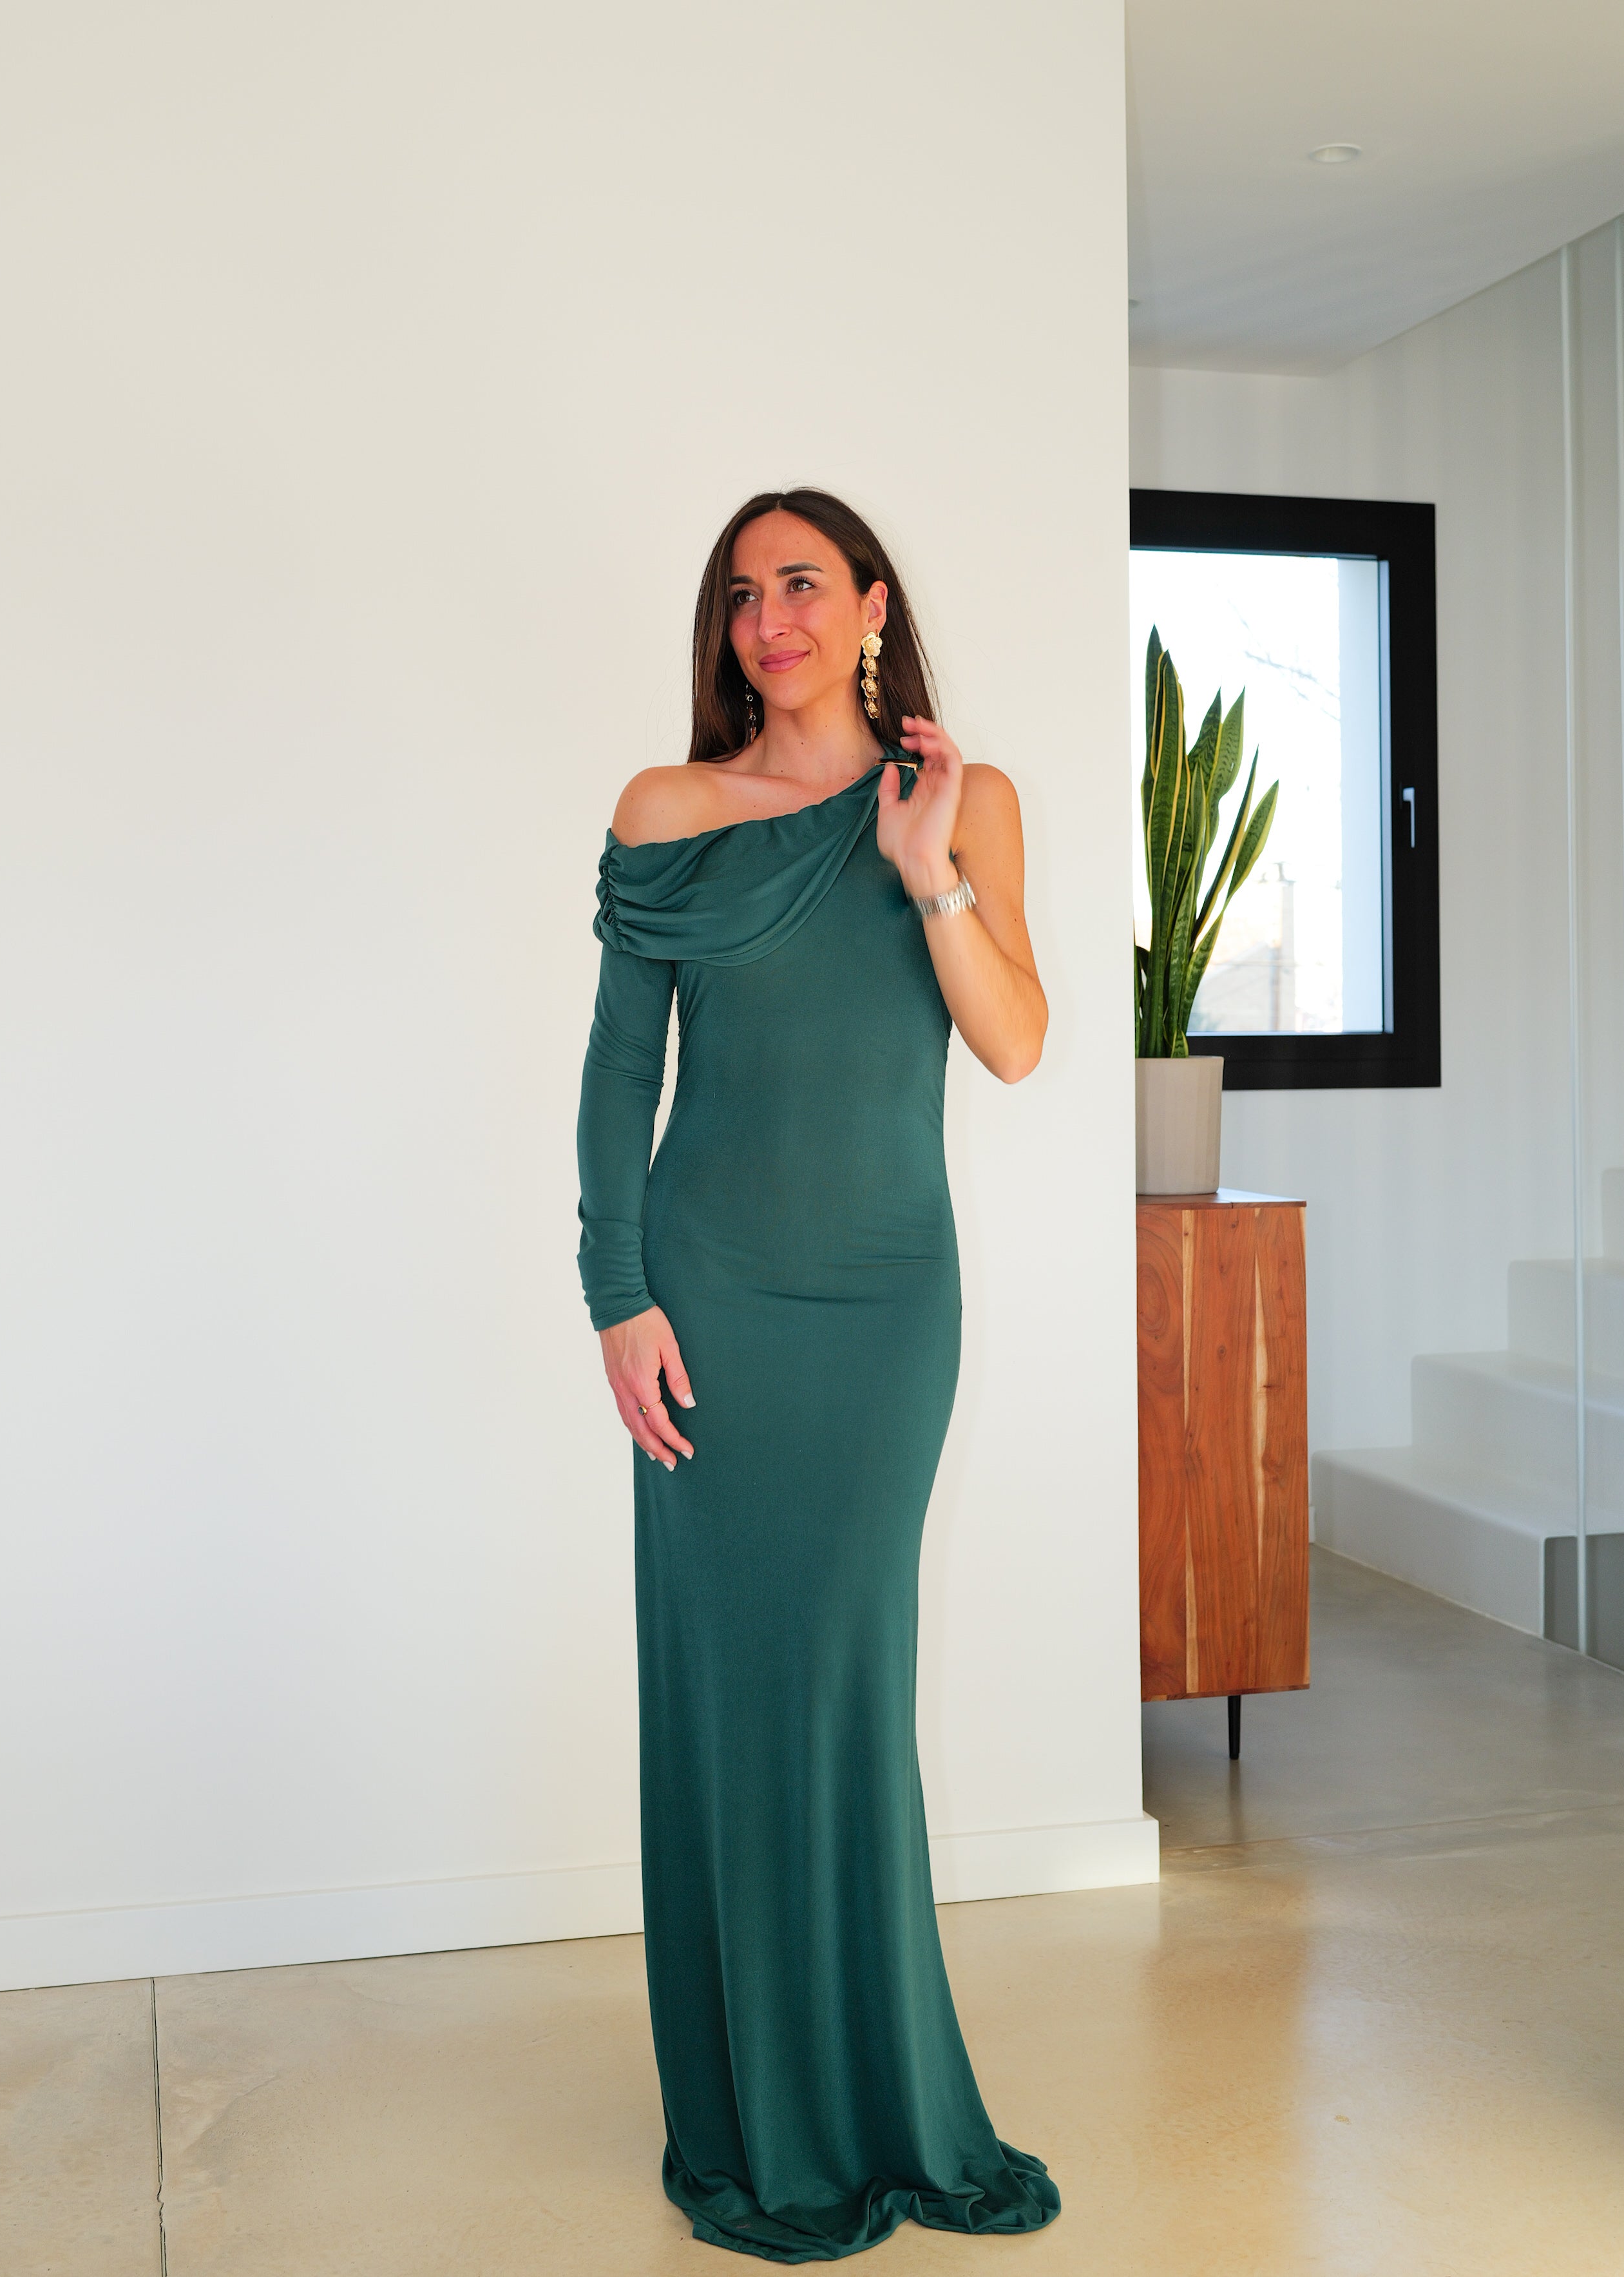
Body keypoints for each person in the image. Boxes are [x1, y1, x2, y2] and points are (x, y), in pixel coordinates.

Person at [575, 487, 1056, 2261]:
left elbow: (1014, 1043)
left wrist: (925, 867)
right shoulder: (669, 809)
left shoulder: (964, 803)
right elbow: (618, 1073)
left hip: (881, 1309)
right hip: (704, 1303)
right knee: (725, 1695)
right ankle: (752, 2107)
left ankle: (873, 2093)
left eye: (799, 584)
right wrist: (616, 1292)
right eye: (739, 593)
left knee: (846, 1686)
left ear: (867, 608)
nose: (766, 618)